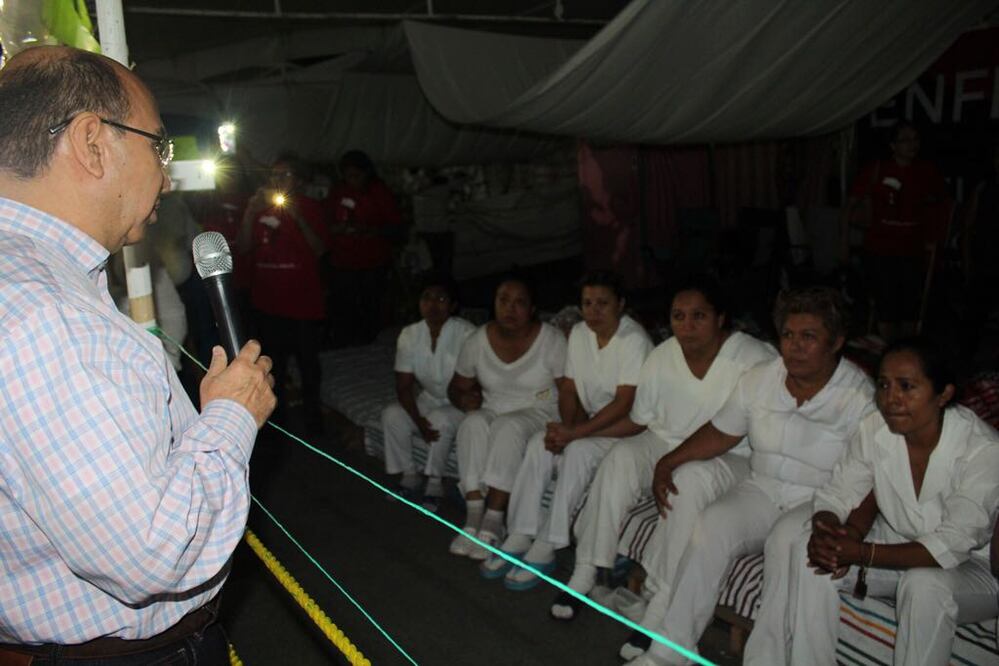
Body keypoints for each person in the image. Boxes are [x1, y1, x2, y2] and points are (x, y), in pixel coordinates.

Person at [0, 46, 275, 663]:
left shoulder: (31, 283)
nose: (168, 174)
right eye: (160, 146)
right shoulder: (46, 314)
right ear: (93, 142)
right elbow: (152, 552)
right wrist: (232, 415)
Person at [626, 286, 875, 666]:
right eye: (788, 336)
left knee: (786, 542)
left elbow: (873, 474)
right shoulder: (762, 378)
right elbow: (722, 431)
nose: (795, 347)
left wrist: (852, 531)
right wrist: (668, 462)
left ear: (837, 341)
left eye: (809, 337)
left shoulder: (859, 397)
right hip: (763, 487)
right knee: (711, 523)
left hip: (819, 500)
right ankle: (670, 651)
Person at [744, 338, 999, 665]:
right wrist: (829, 532)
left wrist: (863, 552)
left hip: (969, 567)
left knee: (923, 586)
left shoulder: (983, 450)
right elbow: (837, 493)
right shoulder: (876, 428)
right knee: (813, 558)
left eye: (907, 386)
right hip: (898, 540)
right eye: (883, 385)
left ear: (944, 394)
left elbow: (950, 546)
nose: (891, 398)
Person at [555, 276, 776, 630]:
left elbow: (744, 432)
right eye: (678, 316)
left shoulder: (754, 359)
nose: (686, 327)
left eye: (699, 316)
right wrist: (577, 434)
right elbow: (640, 420)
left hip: (732, 454)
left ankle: (661, 600)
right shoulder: (662, 356)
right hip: (666, 440)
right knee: (621, 458)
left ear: (721, 318)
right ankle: (586, 569)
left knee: (688, 479)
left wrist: (672, 462)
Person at [484, 271, 653, 590]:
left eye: (603, 303)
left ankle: (548, 543)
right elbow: (569, 390)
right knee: (539, 443)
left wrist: (575, 435)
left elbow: (624, 402)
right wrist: (565, 428)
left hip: (626, 429)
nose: (594, 311)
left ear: (621, 304)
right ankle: (520, 531)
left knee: (577, 451)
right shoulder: (578, 333)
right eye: (587, 303)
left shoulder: (634, 341)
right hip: (590, 423)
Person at [447, 275, 568, 560]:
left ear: (533, 309)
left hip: (540, 411)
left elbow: (569, 391)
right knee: (473, 422)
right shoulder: (477, 340)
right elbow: (456, 387)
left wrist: (569, 431)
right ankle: (474, 515)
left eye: (519, 303)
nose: (510, 309)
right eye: (503, 301)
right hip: (495, 406)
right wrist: (463, 399)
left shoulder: (551, 339)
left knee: (507, 426)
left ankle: (494, 518)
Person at [238, 153, 330, 435]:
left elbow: (320, 250)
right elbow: (242, 248)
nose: (276, 181)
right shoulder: (259, 209)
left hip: (302, 304)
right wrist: (250, 213)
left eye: (284, 175)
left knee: (307, 366)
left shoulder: (310, 207)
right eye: (273, 175)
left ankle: (314, 419)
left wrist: (297, 217)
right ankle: (276, 425)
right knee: (271, 367)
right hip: (267, 303)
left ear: (299, 181)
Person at [839, 121, 947, 341]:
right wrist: (843, 243)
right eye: (905, 139)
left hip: (912, 249)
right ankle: (889, 351)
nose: (912, 144)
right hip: (880, 248)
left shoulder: (926, 172)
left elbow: (938, 206)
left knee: (910, 306)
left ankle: (905, 349)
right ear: (892, 145)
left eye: (915, 139)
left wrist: (934, 239)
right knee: (886, 304)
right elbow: (849, 207)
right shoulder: (876, 170)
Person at [380, 273, 475, 511]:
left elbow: (474, 382)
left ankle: (435, 482)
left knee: (440, 419)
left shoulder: (467, 333)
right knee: (392, 415)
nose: (432, 305)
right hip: (429, 398)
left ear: (453, 305)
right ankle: (410, 475)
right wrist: (418, 421)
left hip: (460, 404)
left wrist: (428, 422)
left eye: (441, 299)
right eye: (426, 298)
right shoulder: (410, 334)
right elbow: (403, 386)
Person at [326, 149, 403, 347]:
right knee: (345, 306)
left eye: (356, 175)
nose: (352, 180)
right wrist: (337, 228)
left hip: (372, 262)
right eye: (348, 176)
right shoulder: (337, 191)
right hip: (343, 262)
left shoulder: (379, 192)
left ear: (366, 173)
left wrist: (371, 230)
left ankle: (369, 345)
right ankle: (346, 344)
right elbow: (324, 220)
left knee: (370, 305)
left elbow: (396, 226)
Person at [961, 138, 999, 368]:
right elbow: (967, 228)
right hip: (983, 266)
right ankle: (967, 369)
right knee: (973, 323)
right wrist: (967, 264)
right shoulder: (984, 188)